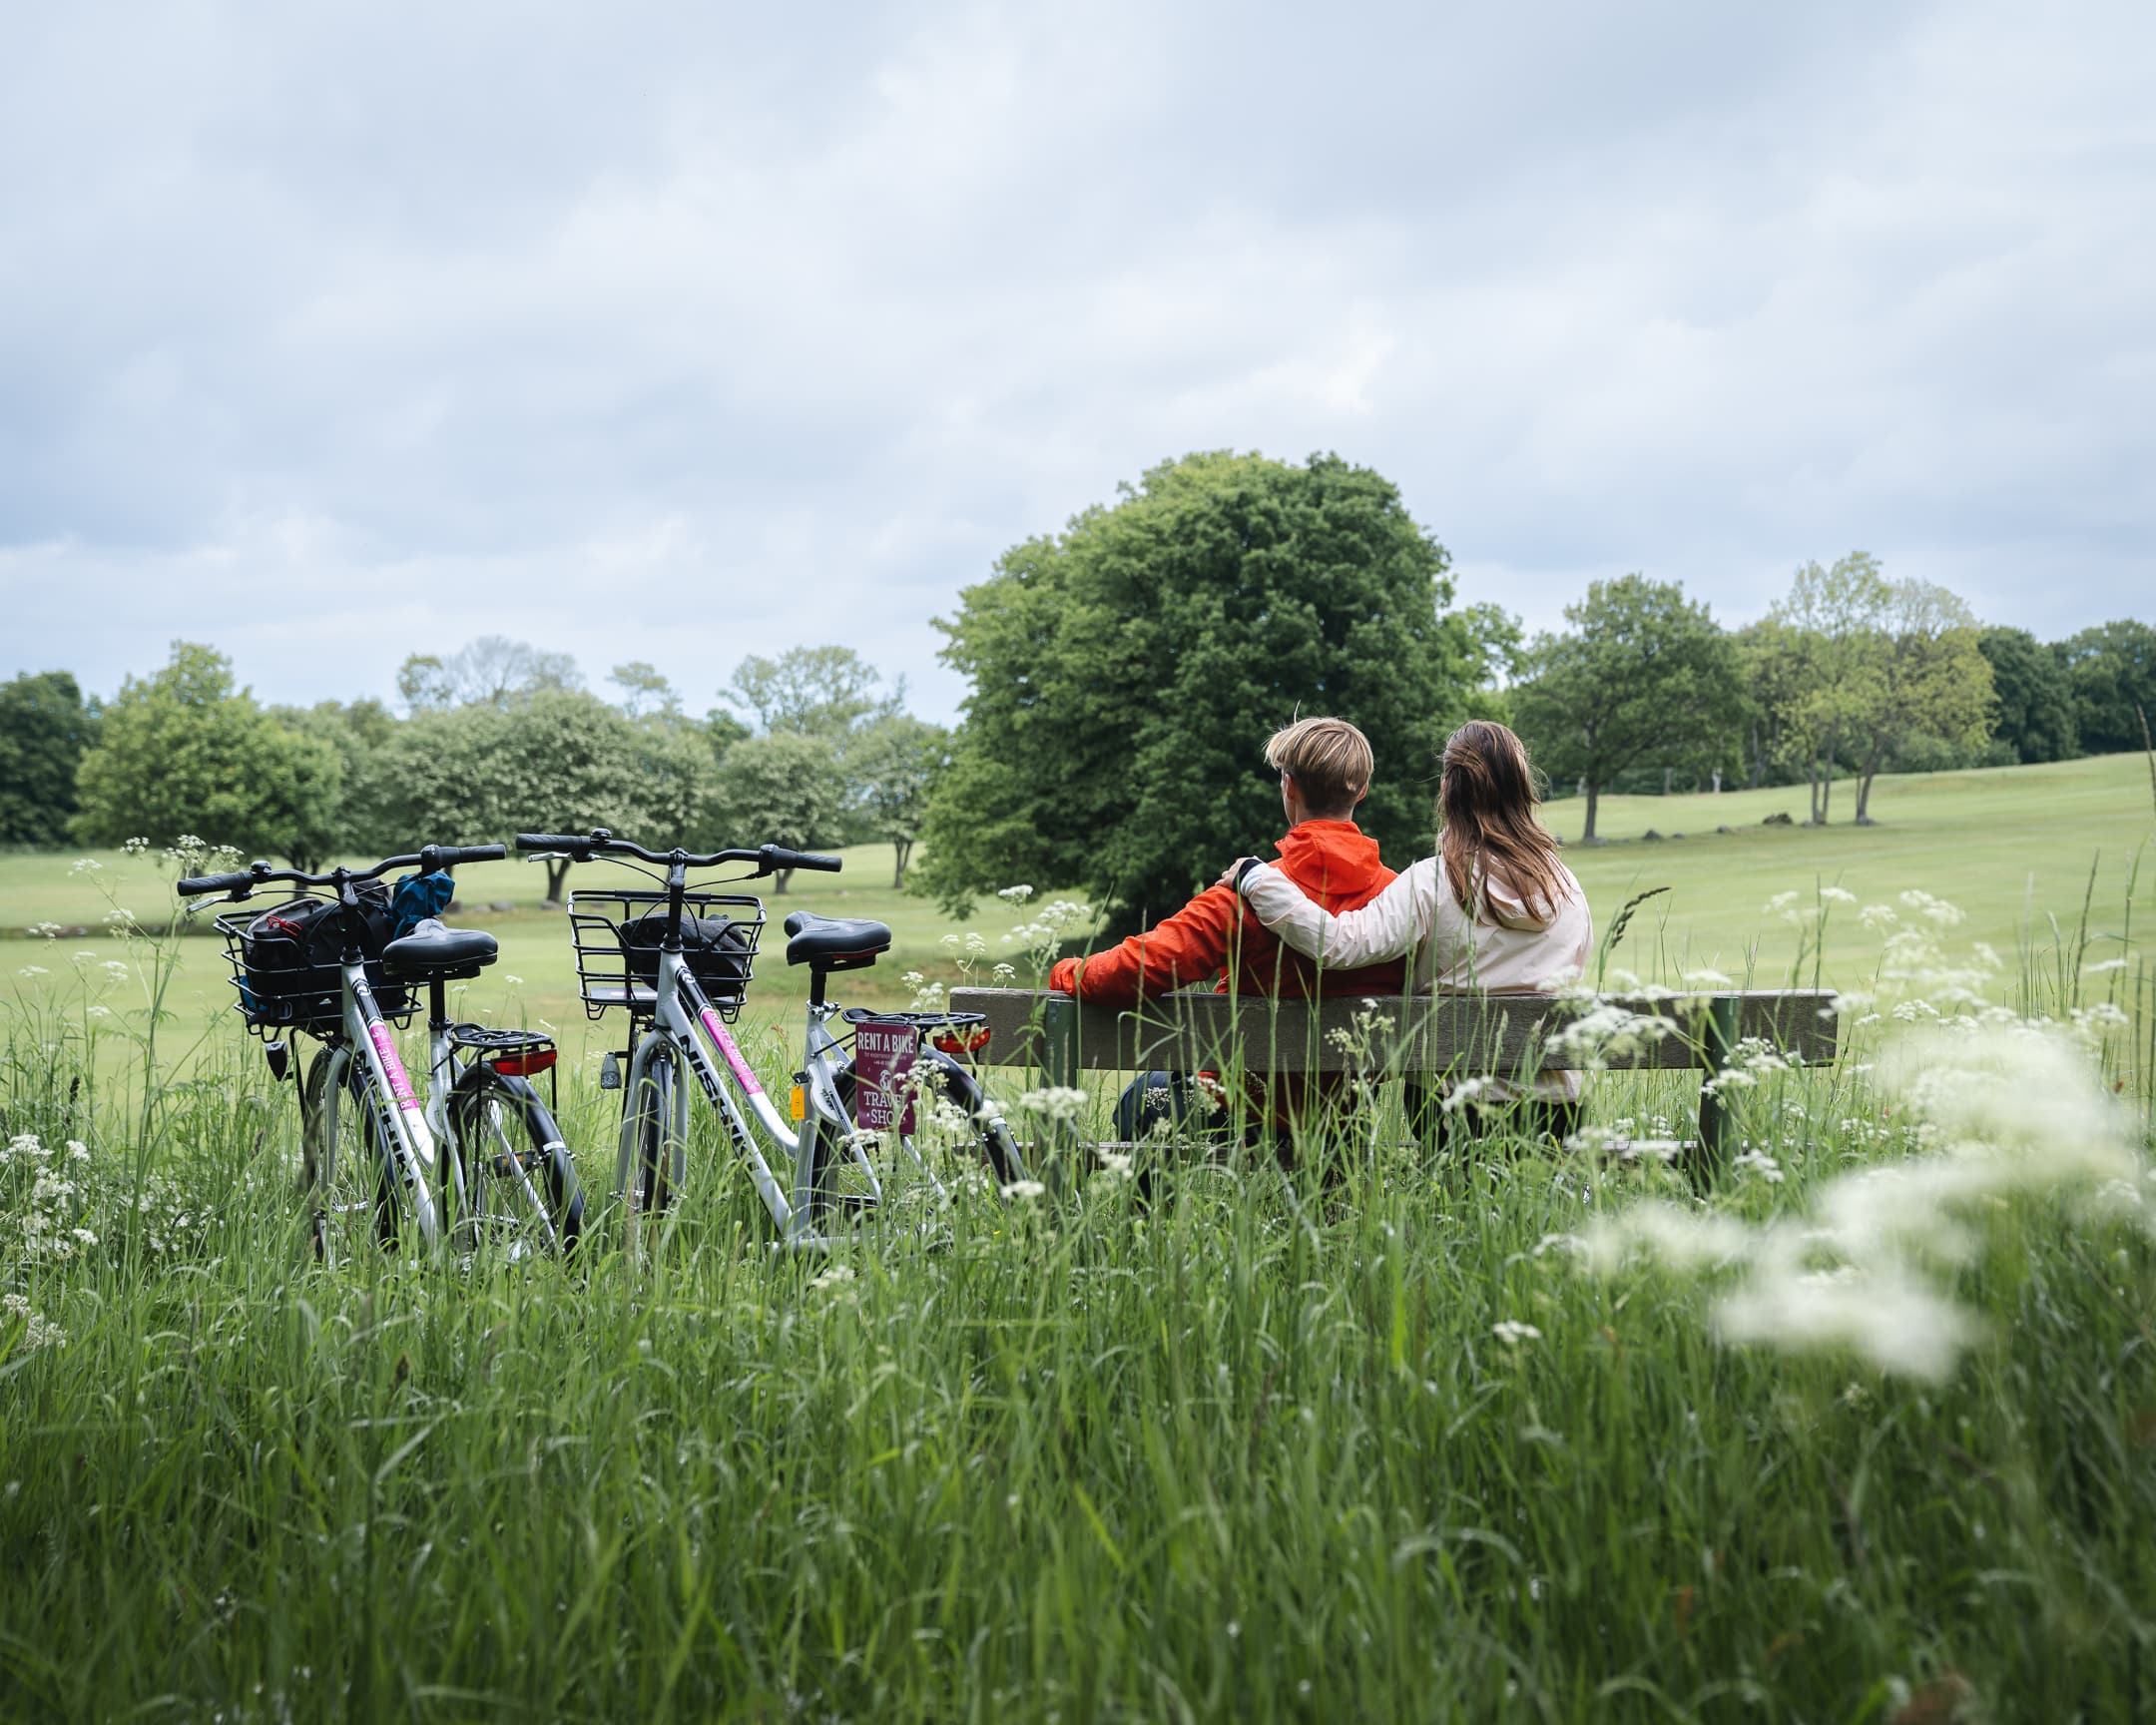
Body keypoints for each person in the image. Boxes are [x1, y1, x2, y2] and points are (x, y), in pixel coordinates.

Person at [1223, 719, 1592, 1148]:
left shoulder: (1434, 883)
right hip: (1558, 1109)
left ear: (1447, 790)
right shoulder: (1565, 887)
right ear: (1522, 789)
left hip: (1454, 1111)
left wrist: (1257, 879)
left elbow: (1339, 944)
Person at [1047, 716, 1405, 1145]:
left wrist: (1066, 971)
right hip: (1341, 1115)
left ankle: (1151, 1212)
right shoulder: (1399, 898)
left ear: (1288, 786)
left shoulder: (1242, 898)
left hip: (1238, 1102)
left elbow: (1136, 969)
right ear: (1362, 791)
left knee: (1142, 1098)